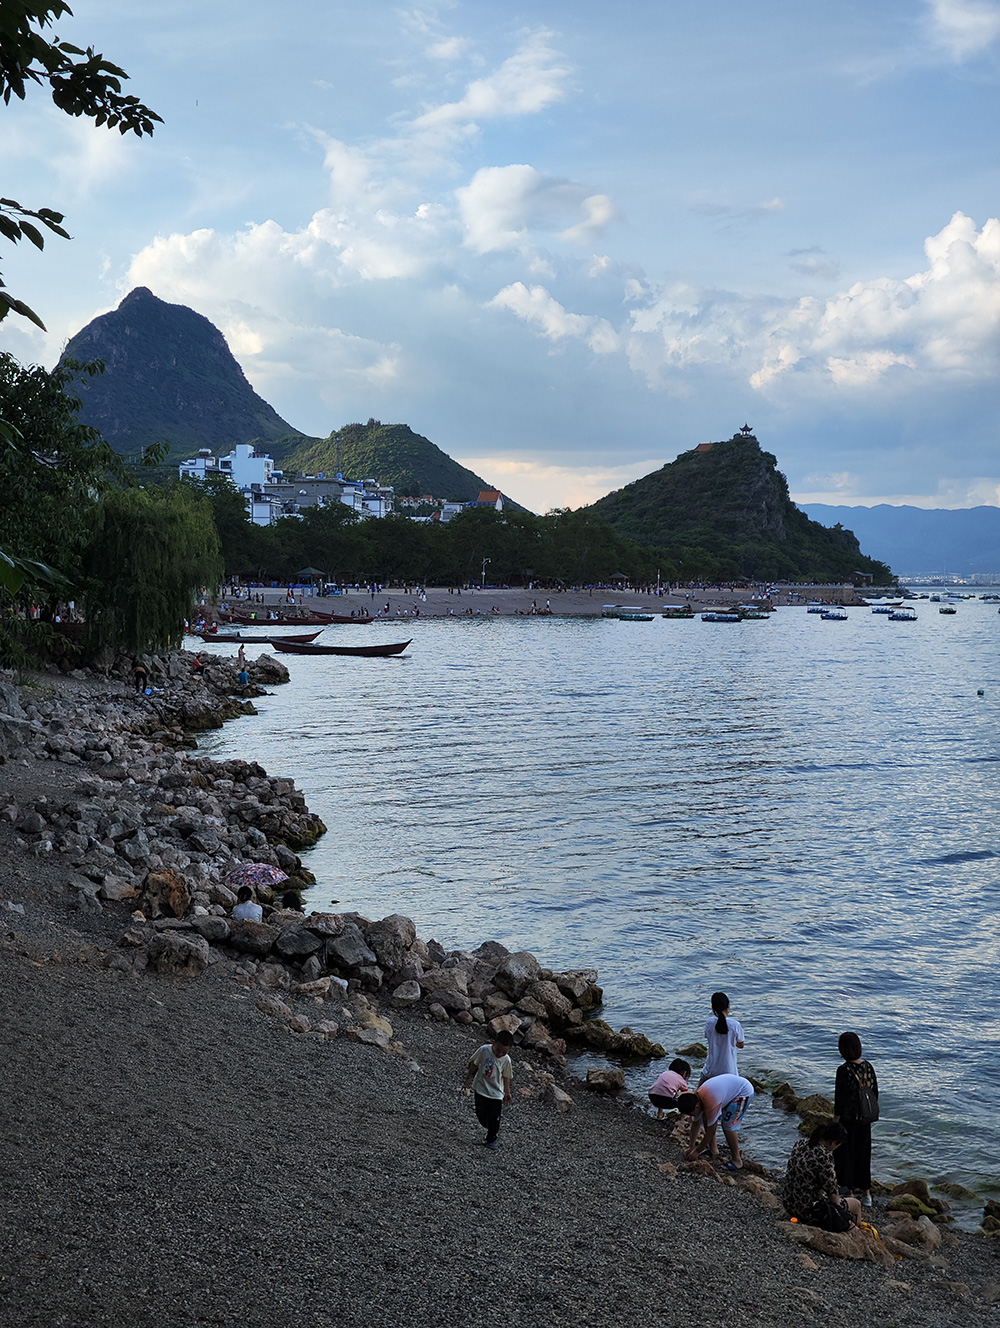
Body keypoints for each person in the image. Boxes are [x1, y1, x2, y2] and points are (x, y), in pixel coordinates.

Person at [780, 1122, 862, 1231]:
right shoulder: (823, 1156)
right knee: (856, 1204)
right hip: (808, 1211)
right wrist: (840, 1215)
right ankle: (855, 1233)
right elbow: (832, 1192)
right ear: (832, 1142)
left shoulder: (801, 1143)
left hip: (789, 1203)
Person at [833, 1031, 879, 1208]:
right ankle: (866, 1194)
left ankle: (849, 1190)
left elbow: (840, 1099)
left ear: (843, 1050)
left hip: (848, 1119)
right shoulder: (868, 1067)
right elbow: (874, 1093)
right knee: (864, 1154)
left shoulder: (843, 1070)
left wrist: (835, 1121)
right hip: (865, 1118)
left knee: (845, 1155)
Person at [677, 1072, 754, 1170]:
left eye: (691, 1114)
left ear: (697, 1107)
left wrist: (697, 1151)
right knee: (706, 1117)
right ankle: (713, 1150)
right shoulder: (696, 1099)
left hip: (743, 1091)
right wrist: (691, 1147)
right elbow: (695, 1124)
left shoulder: (711, 1102)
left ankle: (737, 1160)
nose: (691, 1116)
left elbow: (711, 1131)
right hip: (727, 1089)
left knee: (727, 1124)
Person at [461, 1030, 514, 1150]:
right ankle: (487, 1124)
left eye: (504, 1052)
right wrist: (467, 1080)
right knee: (480, 1113)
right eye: (498, 1050)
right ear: (493, 1043)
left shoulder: (506, 1060)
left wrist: (507, 1092)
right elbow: (474, 1064)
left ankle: (491, 1139)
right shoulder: (484, 1050)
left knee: (495, 1118)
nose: (500, 1054)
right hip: (481, 1088)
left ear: (510, 1049)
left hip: (496, 1093)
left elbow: (506, 1076)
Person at [700, 991, 745, 1083]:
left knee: (700, 1091)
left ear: (713, 1008)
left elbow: (708, 1036)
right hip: (730, 1071)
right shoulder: (735, 1025)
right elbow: (741, 1045)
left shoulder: (709, 1022)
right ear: (728, 1006)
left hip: (711, 1070)